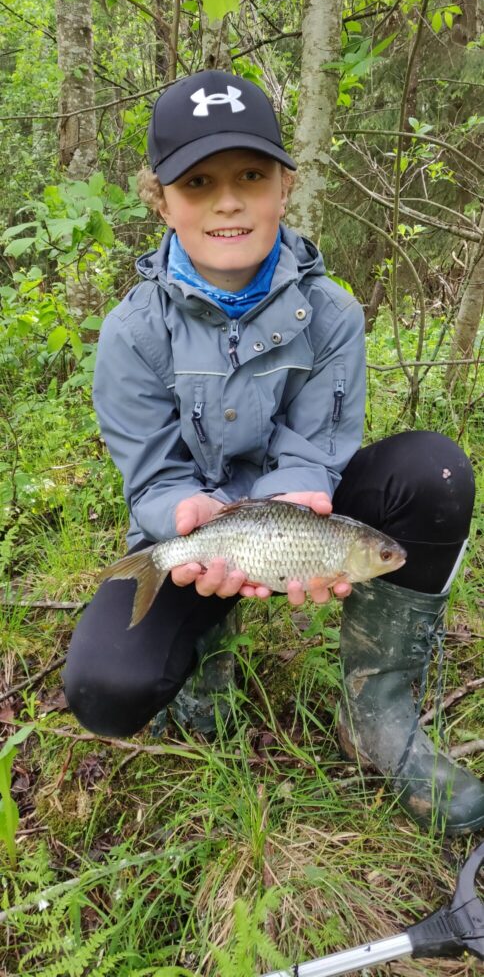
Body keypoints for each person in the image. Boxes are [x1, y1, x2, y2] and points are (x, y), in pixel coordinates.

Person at [63, 70, 483, 834]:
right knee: (104, 690)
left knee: (437, 471)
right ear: (161, 201)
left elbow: (314, 448)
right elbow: (154, 479)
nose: (228, 201)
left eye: (251, 176)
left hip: (298, 516)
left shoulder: (332, 313)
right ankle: (203, 671)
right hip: (194, 539)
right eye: (198, 183)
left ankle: (378, 716)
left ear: (284, 188)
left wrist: (297, 498)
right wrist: (183, 515)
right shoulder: (132, 332)